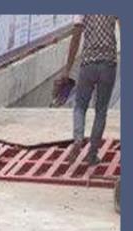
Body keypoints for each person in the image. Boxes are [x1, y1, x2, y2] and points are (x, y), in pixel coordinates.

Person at [61, 15, 118, 165]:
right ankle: (92, 154)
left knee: (80, 107)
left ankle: (78, 139)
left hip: (88, 64)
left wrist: (67, 69)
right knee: (101, 111)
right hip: (108, 64)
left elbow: (76, 38)